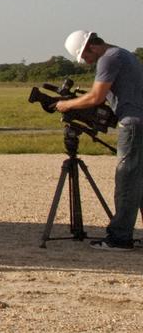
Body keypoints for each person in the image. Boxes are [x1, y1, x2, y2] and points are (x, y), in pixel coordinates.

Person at [57, 30, 143, 250]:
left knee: (126, 180)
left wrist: (67, 104)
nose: (85, 62)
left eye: (84, 57)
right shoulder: (124, 54)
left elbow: (96, 97)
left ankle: (120, 237)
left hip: (132, 124)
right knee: (138, 180)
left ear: (91, 47)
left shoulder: (108, 58)